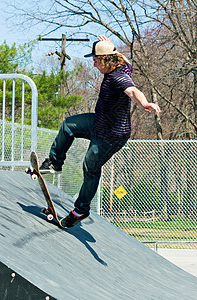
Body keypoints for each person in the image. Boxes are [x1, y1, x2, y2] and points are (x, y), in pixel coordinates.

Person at [40, 35, 161, 228]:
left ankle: (81, 209)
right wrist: (107, 45)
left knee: (90, 166)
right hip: (99, 122)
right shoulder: (122, 64)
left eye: (96, 61)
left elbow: (132, 90)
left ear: (106, 60)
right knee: (68, 125)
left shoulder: (119, 77)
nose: (94, 65)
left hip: (112, 135)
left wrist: (144, 102)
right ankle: (55, 162)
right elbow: (124, 57)